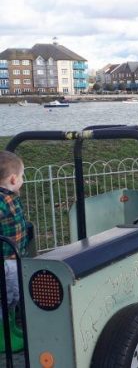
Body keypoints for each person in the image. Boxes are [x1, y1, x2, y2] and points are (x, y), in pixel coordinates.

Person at [0, 151, 31, 352]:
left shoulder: (9, 196)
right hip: (6, 260)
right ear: (13, 179)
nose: (22, 180)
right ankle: (4, 338)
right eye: (21, 176)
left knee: (11, 296)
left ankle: (10, 329)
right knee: (12, 294)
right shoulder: (2, 199)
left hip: (13, 257)